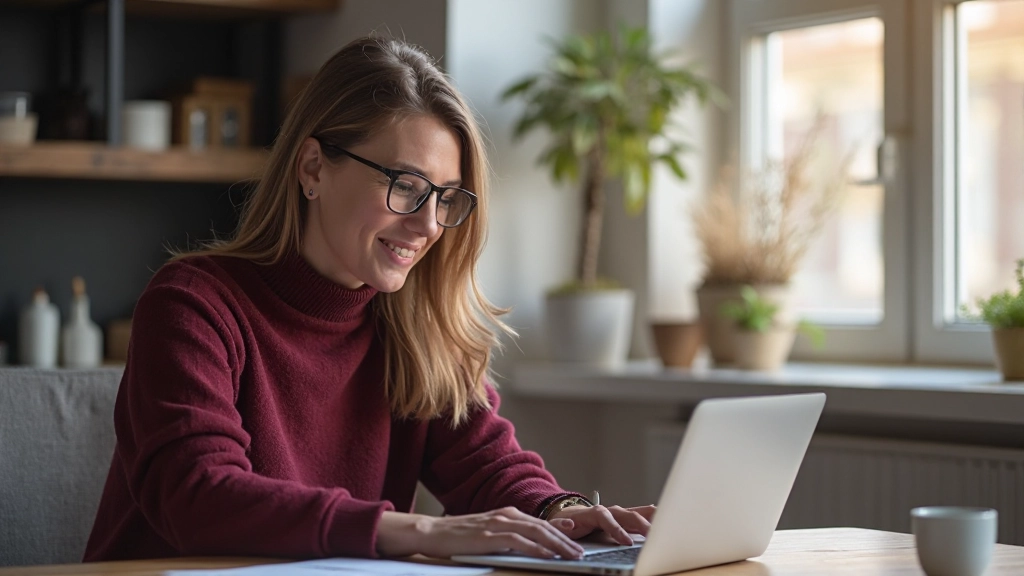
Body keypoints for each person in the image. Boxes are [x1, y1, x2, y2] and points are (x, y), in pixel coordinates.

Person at [83, 36, 654, 563]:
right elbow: (199, 497)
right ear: (313, 168)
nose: (429, 224)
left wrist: (566, 514)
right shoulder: (193, 305)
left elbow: (488, 466)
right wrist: (417, 531)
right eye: (404, 186)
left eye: (446, 198)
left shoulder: (412, 324)